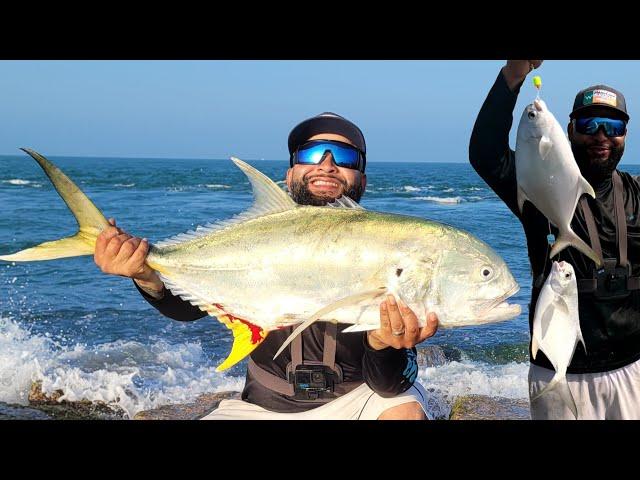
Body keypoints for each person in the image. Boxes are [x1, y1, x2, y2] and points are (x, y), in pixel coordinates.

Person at [94, 112, 439, 420]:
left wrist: (383, 344)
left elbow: (389, 384)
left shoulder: (386, 248)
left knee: (404, 412)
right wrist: (147, 275)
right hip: (262, 406)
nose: (327, 164)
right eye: (311, 153)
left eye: (345, 157)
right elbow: (189, 309)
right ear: (290, 176)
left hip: (359, 397)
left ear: (361, 181)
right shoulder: (249, 240)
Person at [470, 60, 640, 419]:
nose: (601, 136)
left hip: (633, 367)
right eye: (588, 124)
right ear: (568, 130)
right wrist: (514, 74)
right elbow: (485, 153)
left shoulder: (637, 194)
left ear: (626, 133)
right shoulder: (537, 184)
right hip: (558, 372)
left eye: (613, 126)